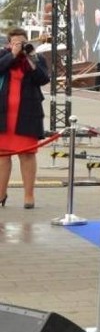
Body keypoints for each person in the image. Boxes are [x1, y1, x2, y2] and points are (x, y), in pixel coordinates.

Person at [0, 28, 50, 209]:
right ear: (9, 43)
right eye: (16, 42)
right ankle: (1, 193)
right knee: (3, 156)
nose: (20, 45)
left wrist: (30, 56)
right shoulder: (3, 55)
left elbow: (43, 79)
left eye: (23, 42)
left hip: (27, 113)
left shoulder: (36, 58)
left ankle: (29, 195)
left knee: (27, 154)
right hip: (4, 114)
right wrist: (12, 54)